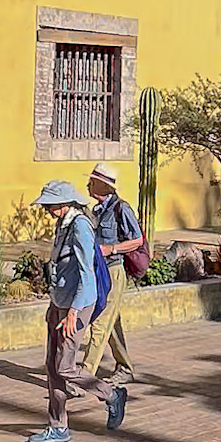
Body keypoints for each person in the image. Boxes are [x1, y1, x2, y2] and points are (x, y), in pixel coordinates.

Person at [26, 179, 127, 442]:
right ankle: (58, 426)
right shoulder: (64, 223)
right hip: (59, 303)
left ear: (64, 203)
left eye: (50, 204)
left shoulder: (80, 225)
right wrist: (55, 305)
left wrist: (73, 312)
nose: (46, 209)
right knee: (52, 367)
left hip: (77, 305)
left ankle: (111, 395)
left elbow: (87, 273)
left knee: (65, 366)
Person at [83, 163, 143, 384]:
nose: (87, 185)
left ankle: (85, 374)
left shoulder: (122, 209)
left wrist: (112, 249)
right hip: (99, 271)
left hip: (114, 271)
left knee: (99, 321)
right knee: (110, 323)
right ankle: (125, 368)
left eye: (92, 181)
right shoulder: (96, 211)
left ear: (103, 185)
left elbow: (137, 240)